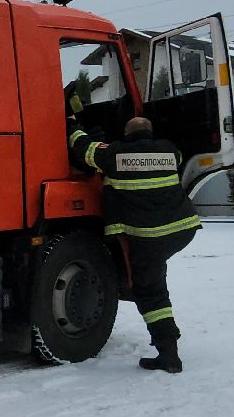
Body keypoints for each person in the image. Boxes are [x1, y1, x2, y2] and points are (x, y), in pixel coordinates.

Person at [66, 115, 201, 372]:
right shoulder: (170, 151)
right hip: (181, 230)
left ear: (126, 135)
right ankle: (167, 347)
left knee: (150, 290)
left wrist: (73, 125)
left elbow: (83, 148)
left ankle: (169, 355)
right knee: (153, 277)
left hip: (148, 236)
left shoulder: (114, 154)